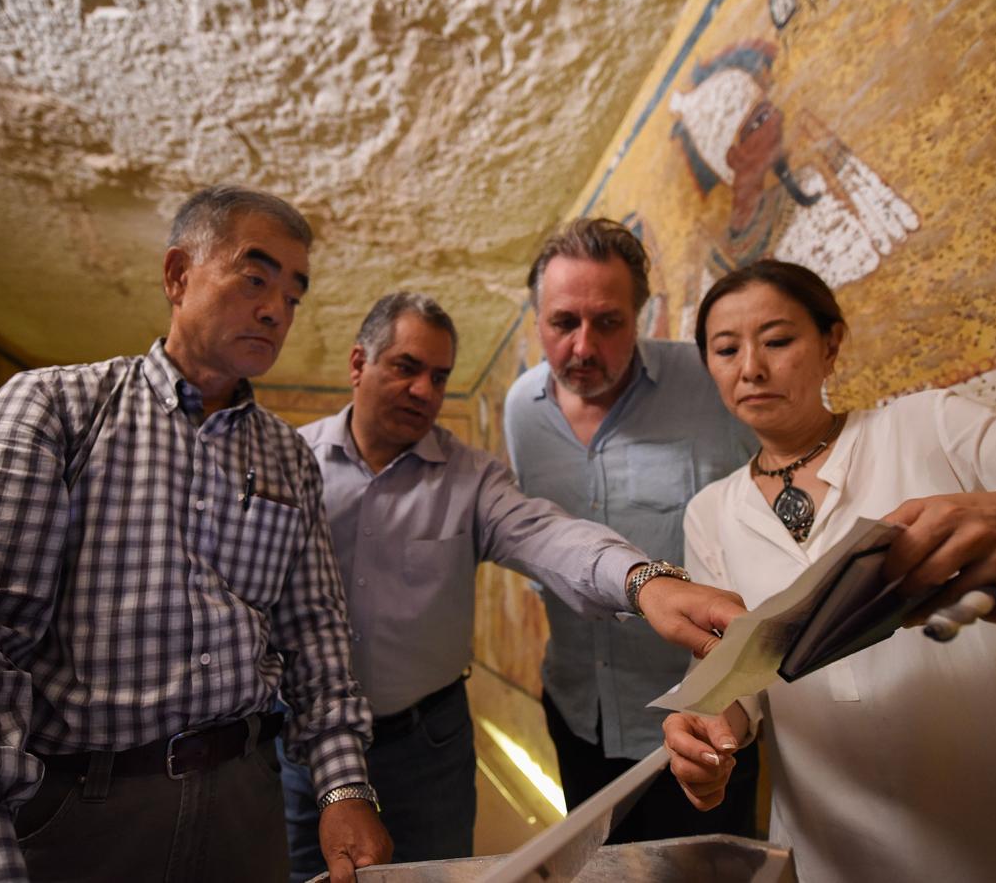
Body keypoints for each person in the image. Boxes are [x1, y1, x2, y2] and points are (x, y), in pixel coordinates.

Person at [0, 185, 392, 883]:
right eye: (255, 278)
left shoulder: (287, 459)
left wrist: (343, 786)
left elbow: (314, 637)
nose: (277, 309)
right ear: (178, 275)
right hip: (81, 812)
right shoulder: (57, 410)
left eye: (293, 295)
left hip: (246, 806)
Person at [663, 259, 996, 882]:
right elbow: (737, 672)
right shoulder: (711, 512)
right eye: (726, 350)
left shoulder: (929, 425)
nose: (751, 368)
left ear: (830, 344)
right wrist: (712, 726)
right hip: (837, 837)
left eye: (777, 340)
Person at [279, 292, 748, 880]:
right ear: (357, 364)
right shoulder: (288, 464)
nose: (425, 391)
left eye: (440, 376)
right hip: (304, 741)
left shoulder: (470, 477)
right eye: (405, 367)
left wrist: (642, 581)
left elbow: (548, 536)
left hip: (428, 746)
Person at [502, 218, 760, 841]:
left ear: (642, 317)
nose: (583, 347)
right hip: (576, 711)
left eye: (609, 322)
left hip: (700, 717)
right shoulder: (520, 409)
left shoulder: (708, 381)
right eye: (563, 323)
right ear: (538, 318)